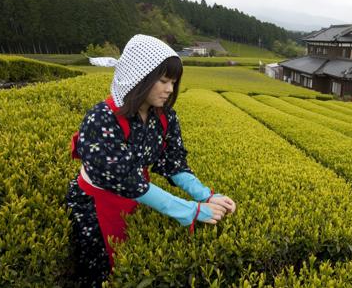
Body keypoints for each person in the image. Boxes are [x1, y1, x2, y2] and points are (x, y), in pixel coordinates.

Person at [65, 34, 236, 287]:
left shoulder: (164, 116)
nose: (169, 89)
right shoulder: (101, 118)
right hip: (96, 206)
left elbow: (174, 162)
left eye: (173, 82)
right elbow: (128, 181)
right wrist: (189, 211)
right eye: (163, 81)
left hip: (136, 199)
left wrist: (205, 195)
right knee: (101, 274)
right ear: (139, 78)